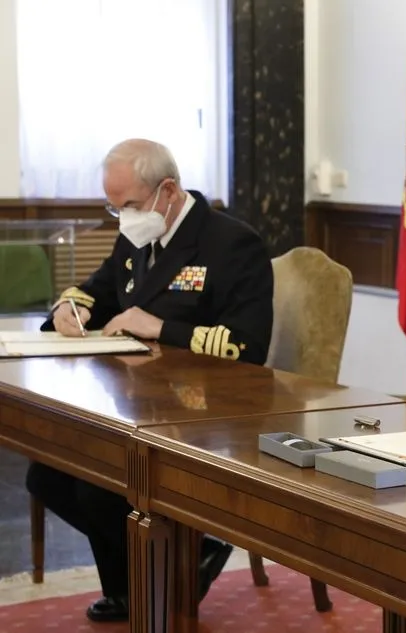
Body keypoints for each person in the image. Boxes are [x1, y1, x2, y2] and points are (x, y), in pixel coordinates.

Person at [26, 138, 274, 622]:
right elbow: (97, 292)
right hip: (143, 404)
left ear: (169, 190)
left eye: (131, 205)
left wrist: (160, 327)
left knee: (99, 486)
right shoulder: (137, 236)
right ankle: (171, 567)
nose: (124, 218)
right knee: (48, 475)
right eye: (114, 207)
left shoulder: (231, 243)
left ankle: (151, 577)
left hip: (210, 412)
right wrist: (69, 310)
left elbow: (248, 347)